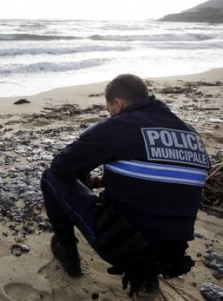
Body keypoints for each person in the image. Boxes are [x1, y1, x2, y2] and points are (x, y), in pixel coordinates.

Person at [41, 74, 210, 296]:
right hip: (174, 251)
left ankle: (68, 255)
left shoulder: (121, 126)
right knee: (155, 213)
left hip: (125, 246)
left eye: (108, 108)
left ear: (117, 103)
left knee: (50, 176)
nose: (109, 113)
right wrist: (105, 181)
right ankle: (149, 276)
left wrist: (82, 173)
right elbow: (165, 184)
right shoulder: (190, 133)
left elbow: (62, 166)